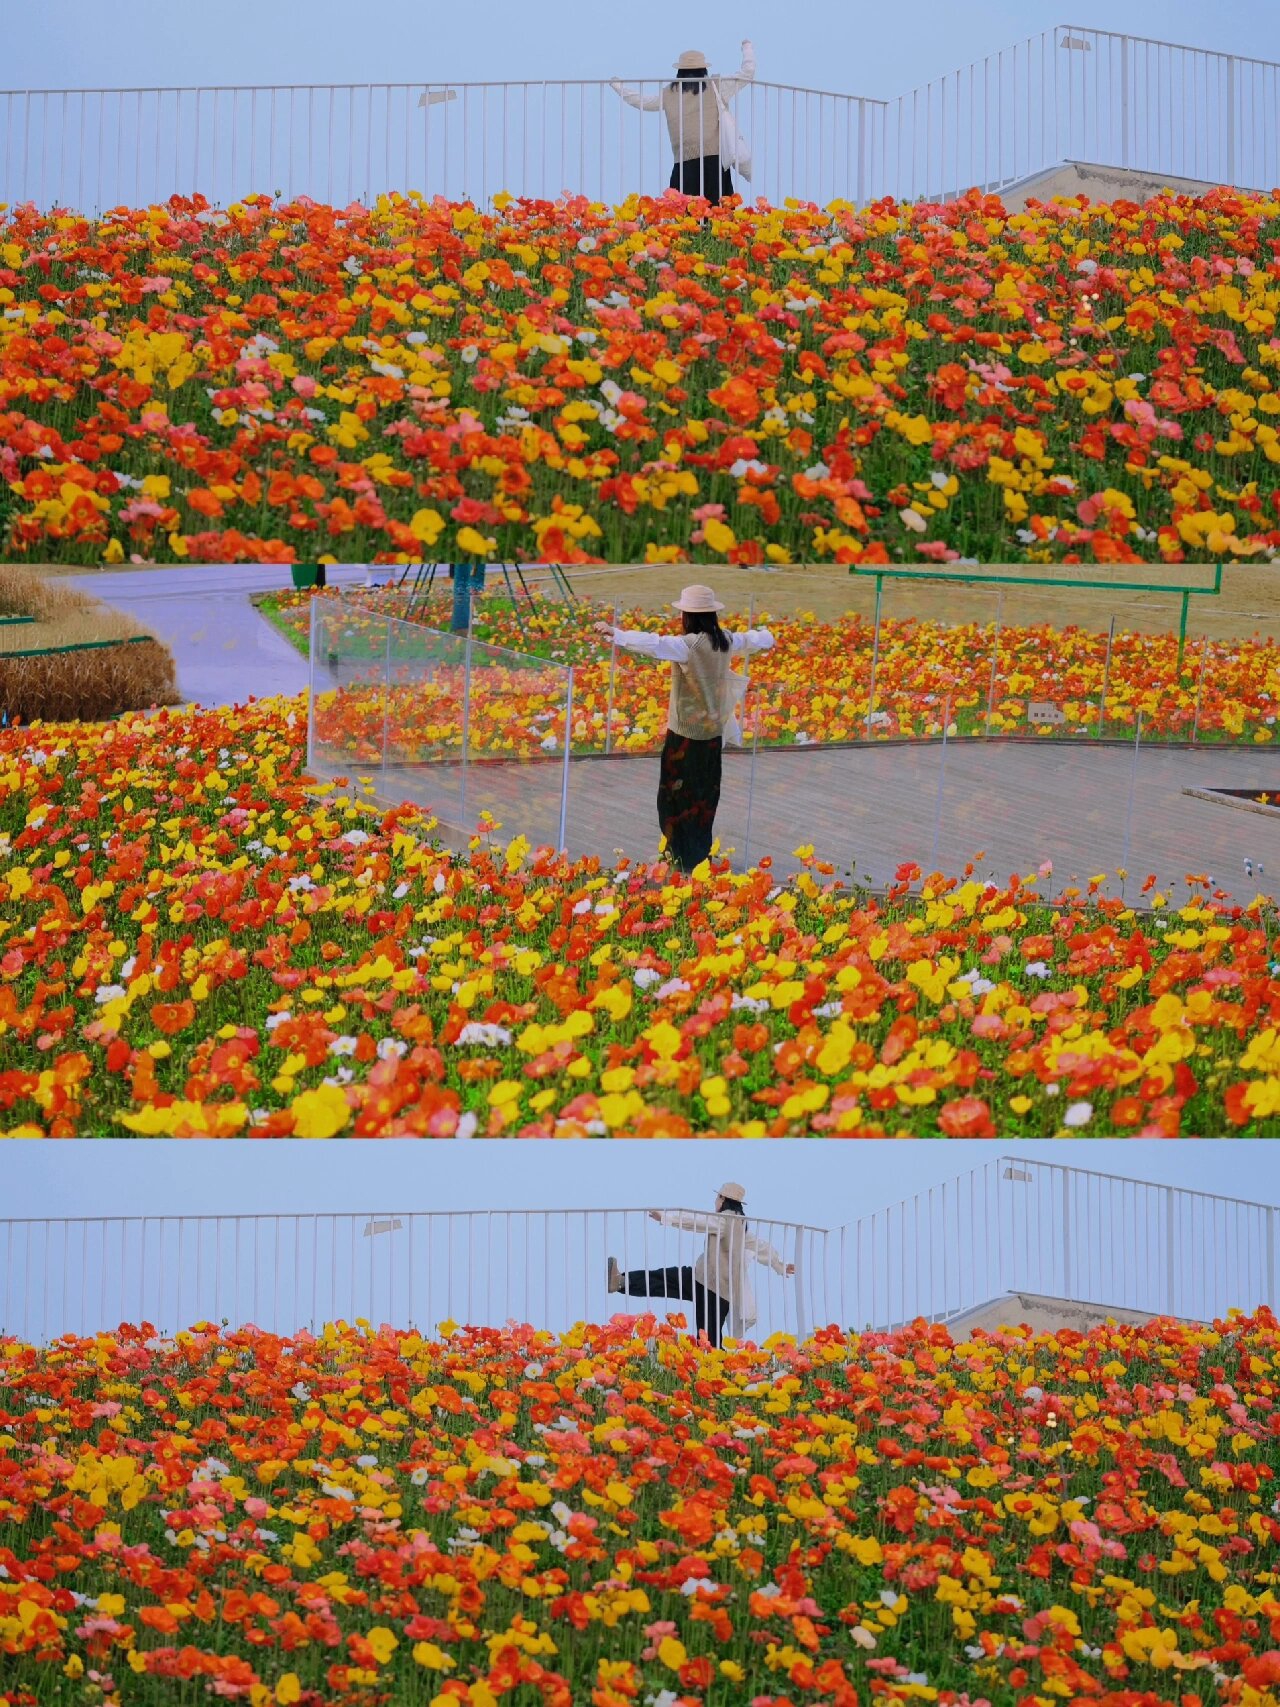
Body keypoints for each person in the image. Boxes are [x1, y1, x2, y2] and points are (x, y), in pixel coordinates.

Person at [594, 586, 774, 875]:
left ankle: (677, 855)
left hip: (685, 735)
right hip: (712, 736)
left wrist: (615, 633)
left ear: (688, 616)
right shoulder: (725, 640)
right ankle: (699, 856)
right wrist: (768, 638)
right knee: (704, 797)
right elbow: (753, 639)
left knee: (673, 796)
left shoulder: (687, 646)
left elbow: (652, 643)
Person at [606, 1182, 794, 1348]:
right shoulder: (740, 1225)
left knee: (707, 1335)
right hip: (704, 1280)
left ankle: (622, 1282)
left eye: (717, 1197)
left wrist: (665, 1217)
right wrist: (780, 1266)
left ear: (723, 1198)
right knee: (666, 1280)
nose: (715, 1201)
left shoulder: (725, 1219)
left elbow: (696, 1221)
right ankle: (621, 1281)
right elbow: (763, 1248)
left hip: (712, 1287)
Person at [610, 42, 755, 205]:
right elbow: (747, 73)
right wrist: (747, 48)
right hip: (715, 159)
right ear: (704, 69)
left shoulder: (669, 93)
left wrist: (618, 87)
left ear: (680, 71)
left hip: (684, 162)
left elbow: (641, 101)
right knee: (718, 211)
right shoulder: (716, 86)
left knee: (684, 212)